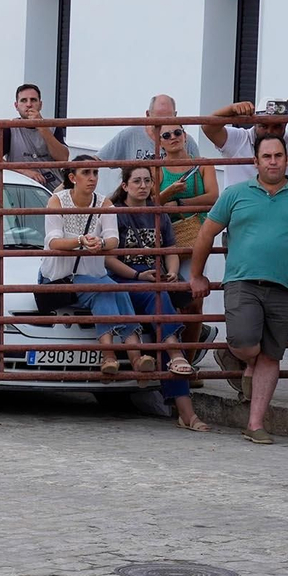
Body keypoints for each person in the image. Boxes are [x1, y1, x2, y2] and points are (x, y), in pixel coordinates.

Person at [190, 132, 288, 443]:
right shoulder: (235, 193)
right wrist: (198, 275)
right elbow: (206, 233)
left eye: (278, 156)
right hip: (243, 282)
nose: (272, 161)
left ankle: (255, 424)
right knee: (243, 342)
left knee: (272, 355)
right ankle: (242, 359)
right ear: (255, 162)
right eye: (266, 156)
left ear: (287, 160)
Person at [107, 165, 205, 430]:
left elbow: (170, 249)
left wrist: (172, 272)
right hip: (126, 279)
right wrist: (138, 277)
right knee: (160, 302)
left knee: (173, 300)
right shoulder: (114, 213)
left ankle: (186, 410)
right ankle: (176, 353)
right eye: (136, 181)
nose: (142, 185)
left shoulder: (158, 214)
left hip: (155, 280)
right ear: (125, 186)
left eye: (147, 181)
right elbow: (108, 258)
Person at [42, 159, 141, 376]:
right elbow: (53, 241)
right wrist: (81, 241)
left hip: (91, 275)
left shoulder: (104, 203)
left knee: (119, 291)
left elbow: (113, 239)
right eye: (86, 172)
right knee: (105, 290)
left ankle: (130, 358)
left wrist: (101, 243)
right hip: (60, 276)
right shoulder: (57, 201)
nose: (93, 177)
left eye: (95, 172)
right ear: (72, 178)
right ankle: (117, 355)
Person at [154, 124, 219, 367]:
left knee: (194, 299)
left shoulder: (203, 164)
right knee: (172, 299)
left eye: (177, 133)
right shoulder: (157, 169)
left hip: (195, 239)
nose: (173, 138)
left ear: (186, 135)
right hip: (165, 242)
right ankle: (173, 358)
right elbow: (149, 203)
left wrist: (180, 202)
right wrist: (168, 192)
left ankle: (188, 361)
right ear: (160, 142)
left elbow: (213, 197)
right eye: (166, 135)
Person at [201, 99, 288, 190]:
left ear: (286, 124)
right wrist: (231, 110)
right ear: (254, 122)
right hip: (245, 217)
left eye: (277, 126)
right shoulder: (239, 139)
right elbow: (208, 128)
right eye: (264, 125)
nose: (270, 132)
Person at [0, 83, 69, 190]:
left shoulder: (53, 127)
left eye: (33, 100)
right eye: (24, 100)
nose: (29, 105)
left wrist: (42, 128)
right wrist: (24, 171)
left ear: (40, 105)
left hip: (53, 189)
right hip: (22, 189)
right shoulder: (10, 128)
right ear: (16, 106)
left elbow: (63, 157)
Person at [99, 94, 201, 163]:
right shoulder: (129, 135)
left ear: (175, 116)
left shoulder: (186, 140)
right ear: (148, 115)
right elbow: (98, 159)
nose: (162, 124)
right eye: (158, 119)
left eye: (168, 119)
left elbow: (200, 172)